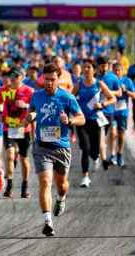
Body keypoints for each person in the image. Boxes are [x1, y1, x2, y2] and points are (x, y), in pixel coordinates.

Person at [26, 62, 85, 237]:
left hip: (61, 148)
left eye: (52, 79)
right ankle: (48, 222)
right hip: (42, 147)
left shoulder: (67, 97)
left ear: (59, 79)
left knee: (61, 186)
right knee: (45, 182)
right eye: (46, 79)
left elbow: (81, 118)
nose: (49, 83)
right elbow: (33, 111)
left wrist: (70, 121)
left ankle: (61, 198)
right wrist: (31, 116)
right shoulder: (36, 96)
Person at [75, 62, 116, 188]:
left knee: (94, 151)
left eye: (89, 67)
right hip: (82, 121)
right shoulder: (79, 84)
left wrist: (102, 104)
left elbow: (113, 98)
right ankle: (85, 177)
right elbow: (70, 97)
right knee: (85, 148)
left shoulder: (99, 84)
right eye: (84, 67)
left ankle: (96, 156)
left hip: (95, 121)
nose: (86, 69)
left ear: (94, 70)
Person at [0, 68, 34, 199]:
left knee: (24, 158)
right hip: (9, 127)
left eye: (16, 76)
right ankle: (9, 185)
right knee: (9, 155)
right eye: (11, 76)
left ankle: (25, 186)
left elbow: (34, 108)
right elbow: (0, 105)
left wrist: (25, 105)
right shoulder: (4, 90)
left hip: (23, 128)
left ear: (22, 77)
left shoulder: (29, 91)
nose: (13, 78)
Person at [109, 61, 135, 167]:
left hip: (123, 112)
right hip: (112, 111)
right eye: (115, 70)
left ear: (122, 71)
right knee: (113, 133)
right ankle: (112, 154)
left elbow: (134, 95)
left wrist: (126, 91)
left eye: (118, 70)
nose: (117, 72)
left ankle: (119, 153)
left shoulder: (127, 81)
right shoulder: (110, 81)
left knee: (121, 135)